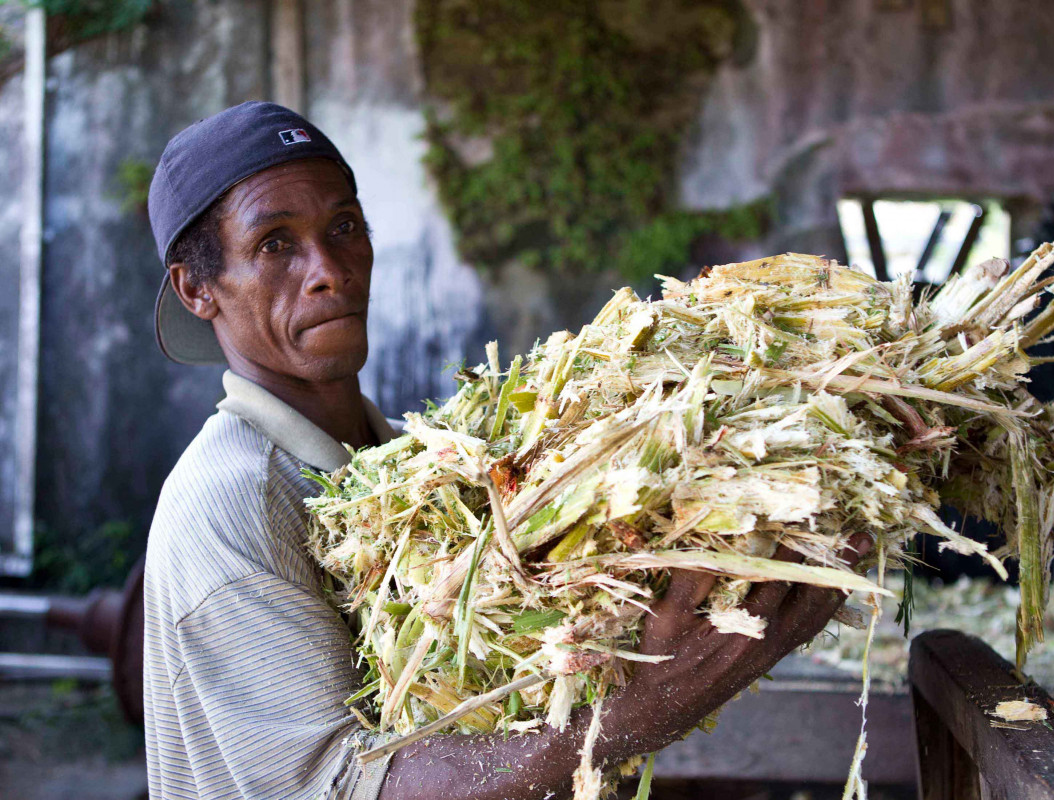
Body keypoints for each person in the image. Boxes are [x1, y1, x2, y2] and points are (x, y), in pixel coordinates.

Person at [142, 101, 867, 800]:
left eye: (344, 226)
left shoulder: (402, 467)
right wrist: (648, 705)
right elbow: (347, 788)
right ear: (198, 288)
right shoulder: (233, 500)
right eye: (274, 245)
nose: (329, 267)